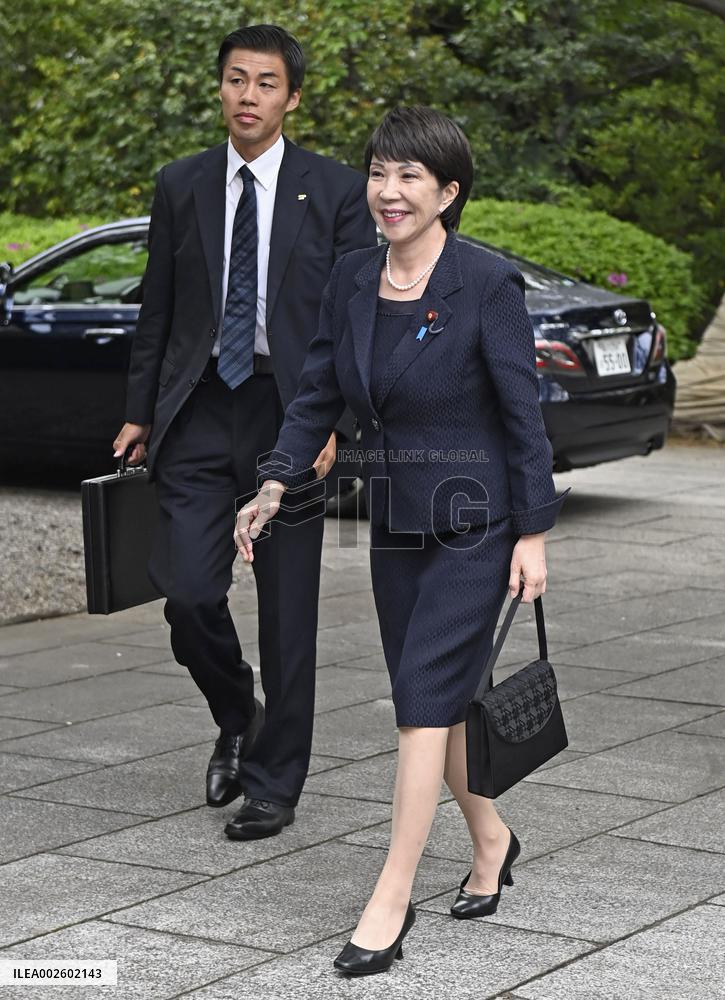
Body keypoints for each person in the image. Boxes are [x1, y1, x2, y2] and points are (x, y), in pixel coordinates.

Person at [235, 105, 571, 974]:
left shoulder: (485, 284)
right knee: (443, 704)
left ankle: (391, 897)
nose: (388, 191)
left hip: (475, 527)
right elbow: (316, 393)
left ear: (447, 192)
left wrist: (532, 534)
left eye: (409, 176)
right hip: (395, 522)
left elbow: (522, 418)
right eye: (378, 173)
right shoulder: (352, 277)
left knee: (421, 704)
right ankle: (491, 839)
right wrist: (274, 483)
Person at [112, 24, 376, 842]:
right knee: (188, 594)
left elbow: (354, 315)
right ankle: (238, 712)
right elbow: (158, 306)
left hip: (289, 416)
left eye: (265, 83)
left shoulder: (335, 189)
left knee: (287, 612)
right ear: (220, 88)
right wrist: (140, 410)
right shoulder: (181, 182)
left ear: (291, 98)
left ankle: (274, 781)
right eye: (236, 79)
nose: (248, 95)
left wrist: (332, 420)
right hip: (197, 410)